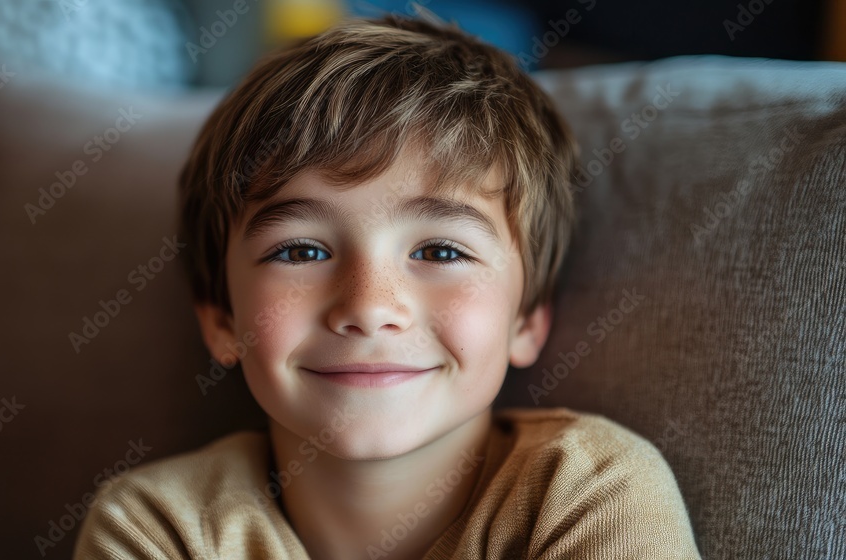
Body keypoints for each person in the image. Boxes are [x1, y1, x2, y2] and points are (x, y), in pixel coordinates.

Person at [73, 12, 702, 560]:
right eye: (300, 250)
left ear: (527, 319)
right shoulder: (156, 528)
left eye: (440, 250)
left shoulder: (589, 491)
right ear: (219, 319)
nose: (370, 309)